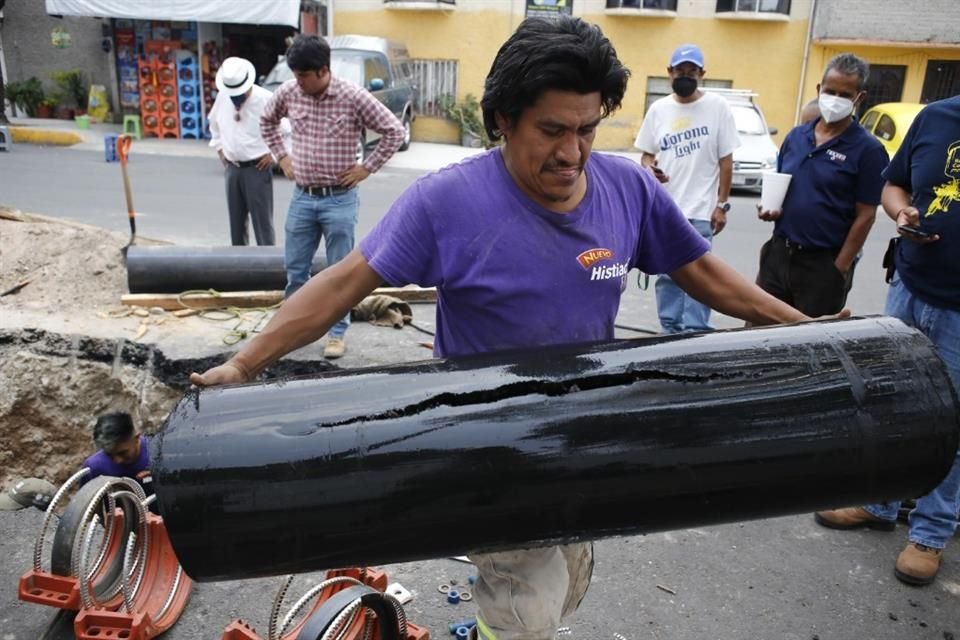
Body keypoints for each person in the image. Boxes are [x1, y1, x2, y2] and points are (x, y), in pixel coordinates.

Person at [194, 17, 834, 640]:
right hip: (485, 447)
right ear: (503, 120)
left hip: (582, 435)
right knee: (526, 611)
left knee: (563, 580)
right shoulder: (446, 203)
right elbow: (339, 285)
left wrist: (809, 331)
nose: (572, 152)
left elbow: (709, 276)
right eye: (552, 130)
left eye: (587, 129)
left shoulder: (627, 189)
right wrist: (245, 364)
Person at [814, 94, 960, 587]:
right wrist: (903, 215)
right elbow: (894, 186)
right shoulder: (937, 118)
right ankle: (879, 502)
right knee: (893, 402)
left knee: (951, 421)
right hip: (910, 284)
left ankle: (930, 534)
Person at [260, 34, 405, 359]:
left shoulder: (353, 97)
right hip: (303, 197)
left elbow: (395, 131)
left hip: (339, 199)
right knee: (295, 268)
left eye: (302, 76)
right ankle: (288, 331)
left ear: (323, 70)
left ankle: (337, 334)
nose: (296, 82)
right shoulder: (289, 92)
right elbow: (267, 120)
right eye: (294, 75)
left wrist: (366, 168)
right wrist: (283, 156)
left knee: (340, 275)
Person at [753, 53, 889, 317]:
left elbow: (866, 215)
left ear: (858, 98)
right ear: (819, 89)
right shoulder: (797, 137)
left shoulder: (868, 150)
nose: (835, 99)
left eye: (845, 95)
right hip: (779, 253)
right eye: (830, 91)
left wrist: (840, 267)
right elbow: (783, 189)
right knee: (760, 333)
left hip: (823, 265)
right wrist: (769, 208)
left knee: (810, 343)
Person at [634, 43, 740, 334]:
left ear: (702, 74)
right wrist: (649, 168)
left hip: (701, 209)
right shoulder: (658, 110)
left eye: (691, 72)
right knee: (668, 274)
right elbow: (646, 153)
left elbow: (726, 160)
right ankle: (670, 331)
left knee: (701, 274)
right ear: (669, 73)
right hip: (666, 207)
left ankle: (697, 332)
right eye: (680, 71)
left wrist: (722, 204)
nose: (685, 76)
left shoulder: (717, 107)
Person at [208, 57, 276, 246]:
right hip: (233, 167)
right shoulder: (223, 97)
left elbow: (288, 130)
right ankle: (239, 265)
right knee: (236, 223)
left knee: (262, 223)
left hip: (257, 167)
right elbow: (213, 123)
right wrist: (220, 148)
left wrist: (274, 154)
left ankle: (267, 265)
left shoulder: (266, 99)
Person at [80, 412, 153, 500]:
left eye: (122, 453)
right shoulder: (94, 469)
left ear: (136, 438)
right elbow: (87, 510)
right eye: (109, 455)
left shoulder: (160, 456)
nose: (117, 460)